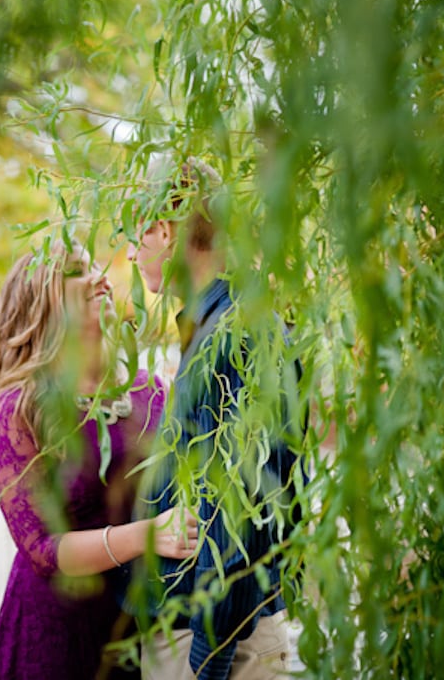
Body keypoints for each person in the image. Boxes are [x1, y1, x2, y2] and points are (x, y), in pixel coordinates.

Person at [123, 156, 305, 680]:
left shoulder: (232, 336)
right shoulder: (217, 325)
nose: (131, 253)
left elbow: (237, 515)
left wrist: (207, 662)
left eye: (136, 234)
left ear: (165, 230)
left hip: (217, 642)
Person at [0, 239, 198, 680]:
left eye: (96, 266)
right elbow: (41, 551)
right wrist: (145, 537)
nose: (101, 278)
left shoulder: (151, 390)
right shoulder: (20, 409)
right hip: (56, 637)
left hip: (138, 632)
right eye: (77, 271)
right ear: (42, 300)